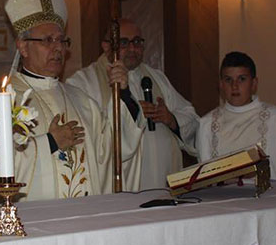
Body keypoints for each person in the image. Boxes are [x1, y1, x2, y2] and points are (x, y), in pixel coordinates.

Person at [4, 0, 145, 200]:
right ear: (22, 46)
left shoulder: (82, 102)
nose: (58, 48)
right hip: (35, 226)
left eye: (62, 40)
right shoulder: (5, 103)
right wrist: (50, 142)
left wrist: (124, 94)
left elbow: (115, 154)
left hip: (83, 222)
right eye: (48, 40)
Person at [67, 18, 199, 191]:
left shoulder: (156, 77)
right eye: (124, 43)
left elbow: (191, 117)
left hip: (164, 178)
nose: (132, 48)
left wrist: (171, 119)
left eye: (137, 42)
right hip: (123, 183)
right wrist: (131, 113)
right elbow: (88, 135)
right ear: (106, 46)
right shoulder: (83, 82)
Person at [196, 51, 276, 181]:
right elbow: (205, 178)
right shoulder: (207, 124)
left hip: (270, 198)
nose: (234, 86)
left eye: (242, 79)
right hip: (225, 199)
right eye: (228, 79)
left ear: (254, 83)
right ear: (221, 85)